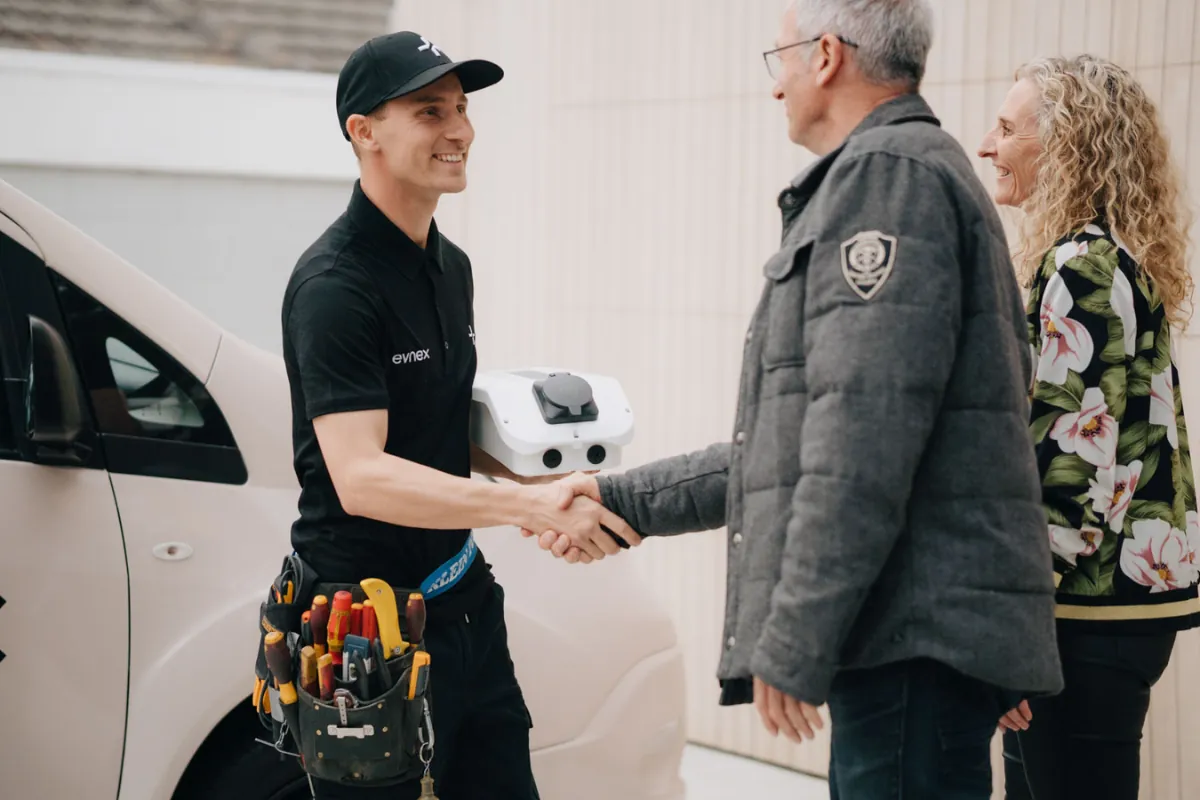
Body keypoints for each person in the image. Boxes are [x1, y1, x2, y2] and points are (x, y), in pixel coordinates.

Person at [532, 1, 1064, 797]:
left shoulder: (888, 182)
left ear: (825, 56)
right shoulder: (910, 175)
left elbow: (860, 443)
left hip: (909, 646)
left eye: (777, 58)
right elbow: (793, 446)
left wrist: (794, 637)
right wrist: (623, 498)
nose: (775, 86)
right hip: (915, 644)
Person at [280, 31, 639, 799]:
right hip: (363, 636)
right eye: (429, 110)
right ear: (363, 131)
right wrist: (525, 505)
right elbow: (363, 476)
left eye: (462, 108)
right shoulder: (334, 287)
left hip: (466, 603)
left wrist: (548, 486)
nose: (458, 130)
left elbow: (434, 428)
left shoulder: (450, 267)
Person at [978, 54, 1198, 800]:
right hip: (1100, 610)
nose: (986, 146)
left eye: (1007, 130)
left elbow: (1073, 466)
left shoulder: (1082, 267)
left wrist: (1015, 628)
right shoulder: (1100, 259)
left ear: (1067, 148)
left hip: (1082, 613)